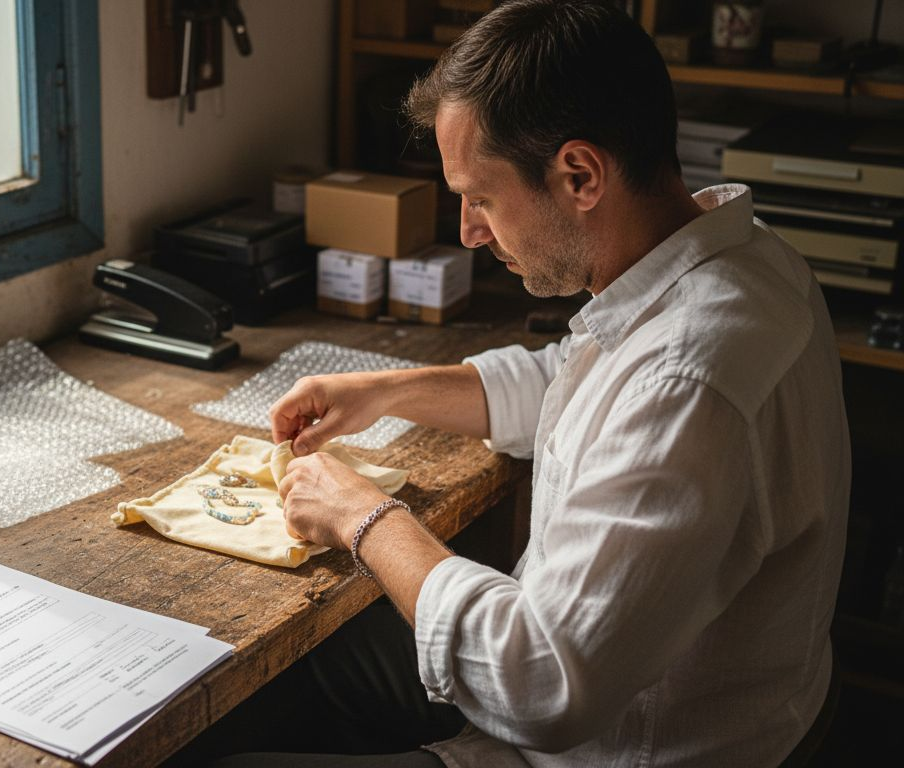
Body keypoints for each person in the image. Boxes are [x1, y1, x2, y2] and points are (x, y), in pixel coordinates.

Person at [181, 1, 851, 766]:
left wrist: (365, 517)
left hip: (614, 746)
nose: (468, 229)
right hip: (694, 699)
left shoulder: (685, 378)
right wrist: (389, 390)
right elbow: (579, 387)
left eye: (482, 198)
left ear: (579, 175)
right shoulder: (735, 259)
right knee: (307, 664)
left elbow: (541, 683)